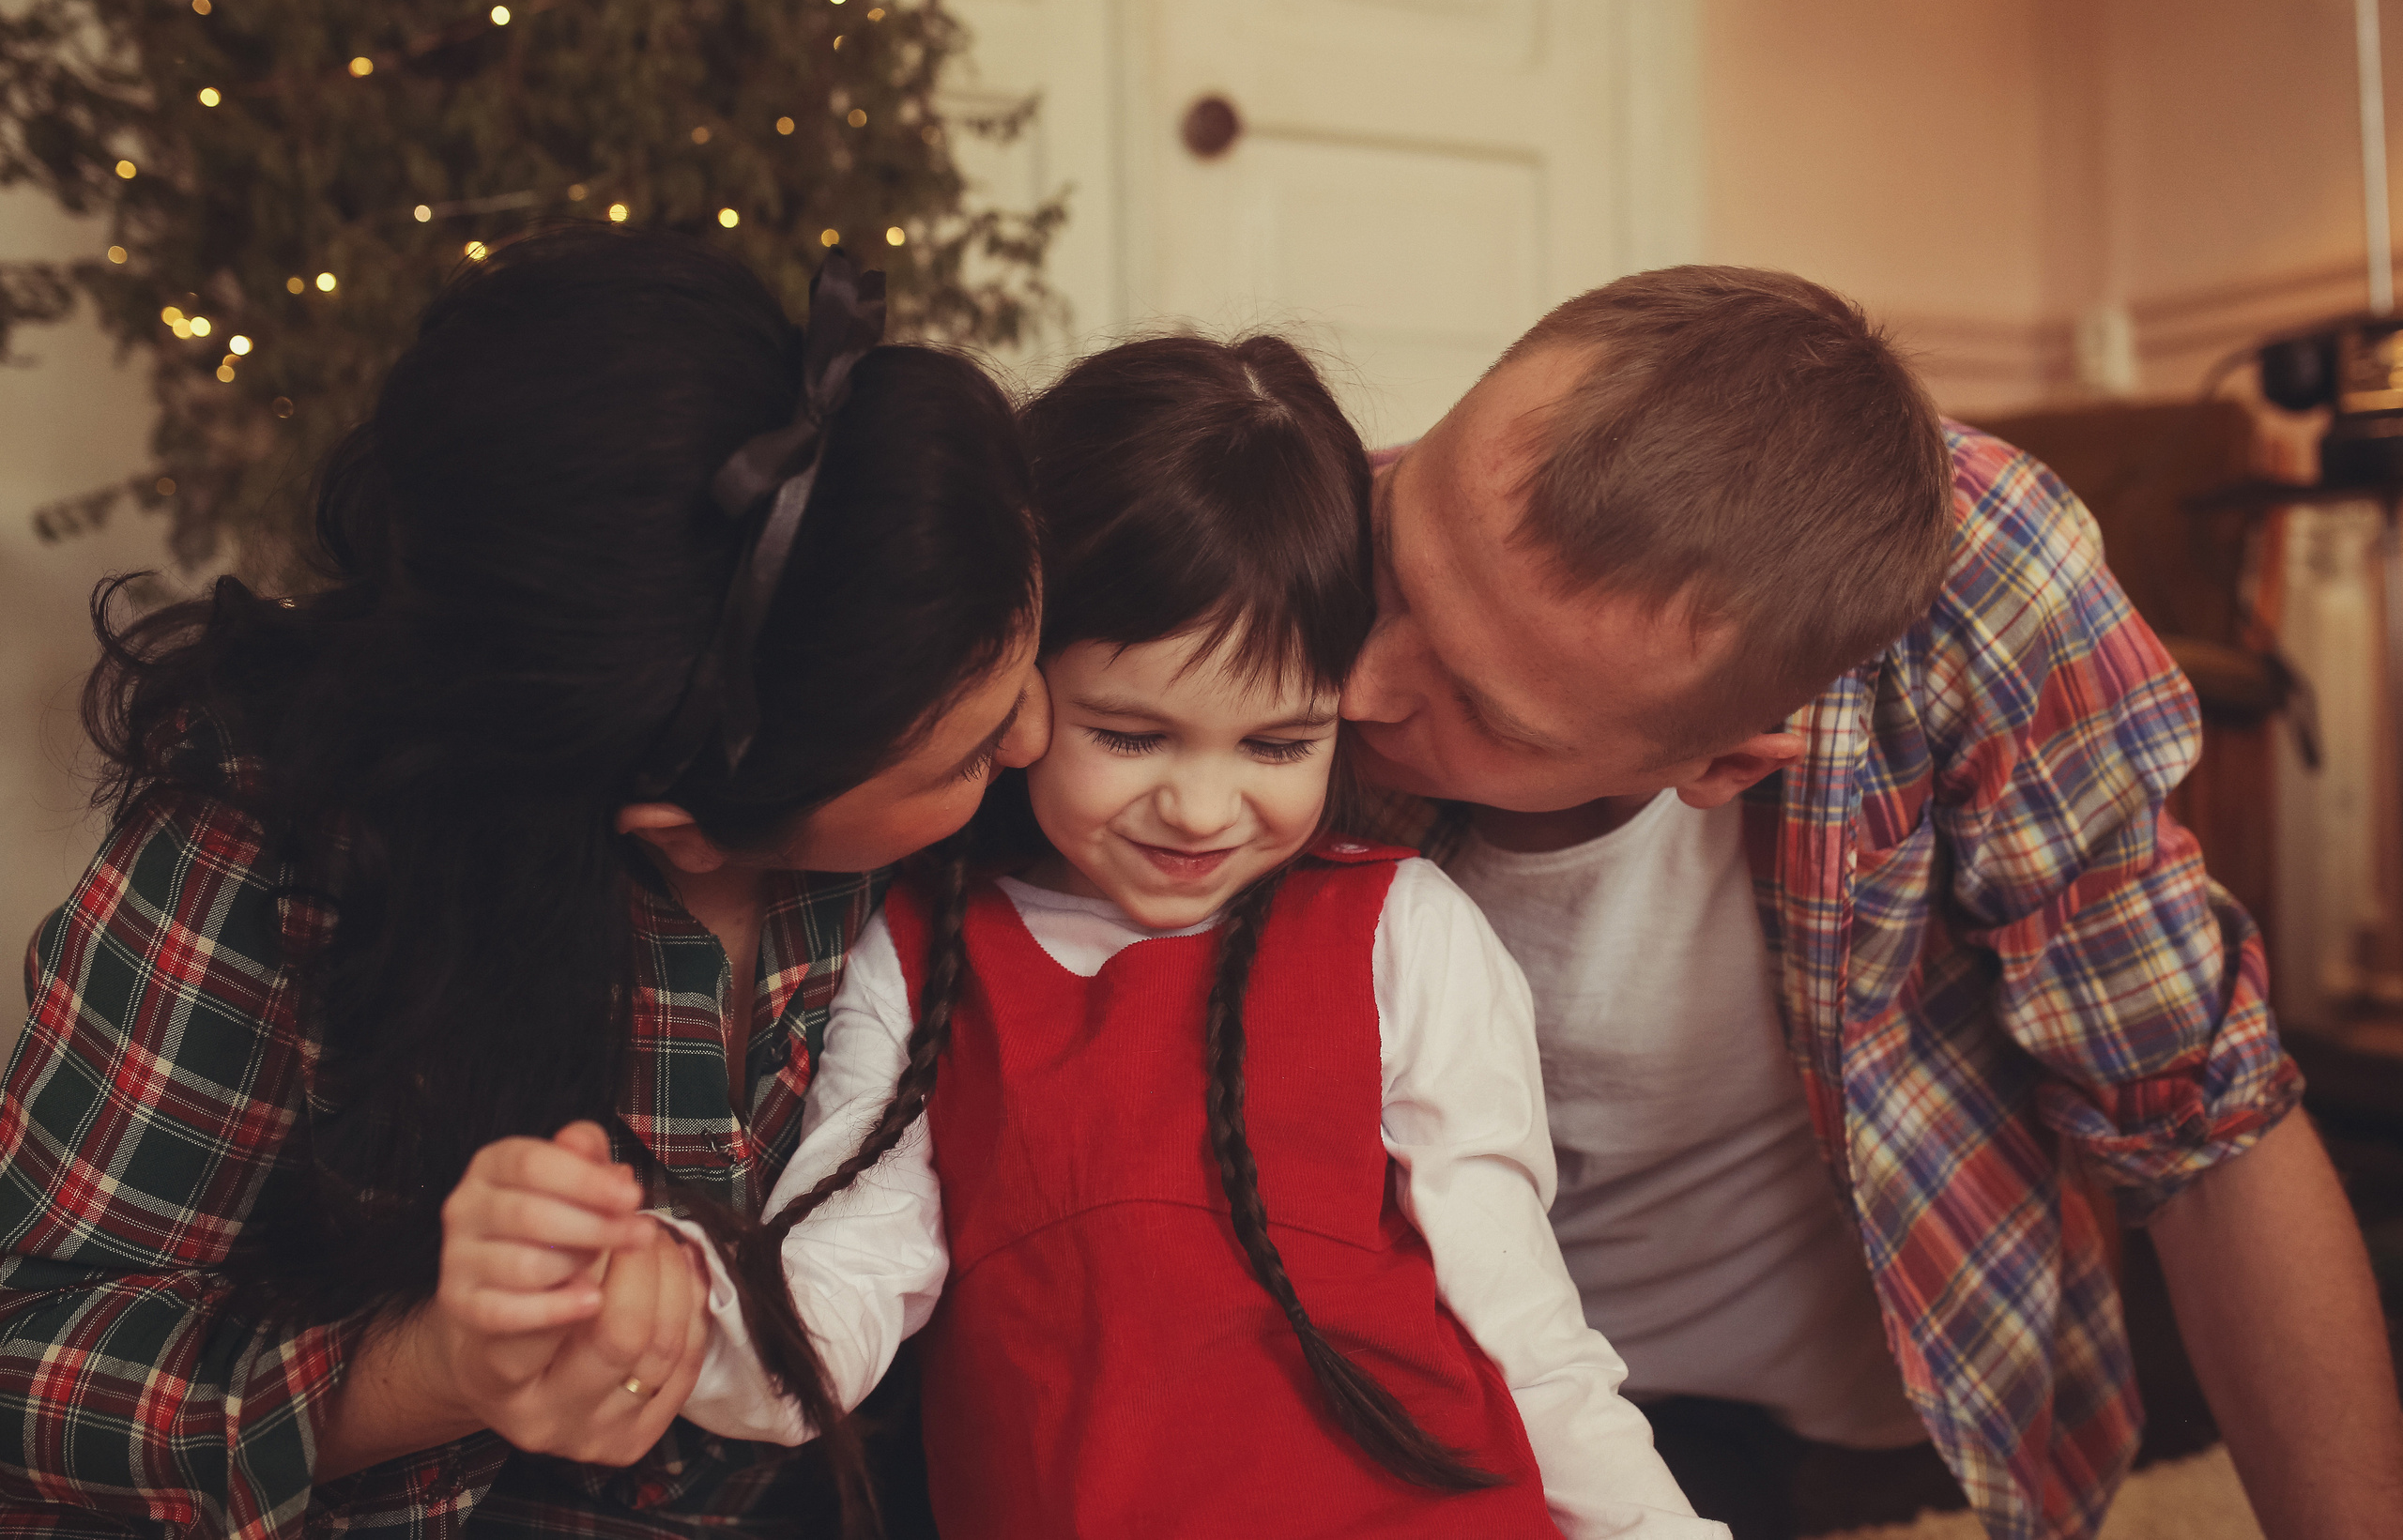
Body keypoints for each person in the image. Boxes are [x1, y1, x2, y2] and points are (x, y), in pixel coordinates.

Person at [0, 228, 1047, 1533]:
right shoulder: (266, 846)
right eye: (966, 749)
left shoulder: (930, 751)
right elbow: (29, 1343)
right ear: (683, 826)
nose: (1039, 740)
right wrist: (431, 1366)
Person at [1336, 265, 2403, 1540]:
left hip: (1888, 1417)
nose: (1349, 687)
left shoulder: (1978, 584)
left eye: (1476, 705)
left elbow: (2199, 1113)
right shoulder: (1275, 535)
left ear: (1728, 761)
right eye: (1397, 556)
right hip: (1437, 1401)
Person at [664, 334, 1727, 1539]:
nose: (1204, 809)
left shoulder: (1404, 931)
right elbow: (839, 1288)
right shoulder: (916, 949)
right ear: (1016, 679)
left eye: (1279, 745)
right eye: (1130, 736)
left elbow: (1523, 1329)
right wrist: (668, 1316)